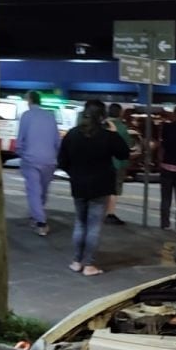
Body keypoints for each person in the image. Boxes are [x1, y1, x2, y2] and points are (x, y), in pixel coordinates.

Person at [57, 100, 123, 276]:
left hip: (78, 185)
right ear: (102, 117)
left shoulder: (72, 134)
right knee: (94, 226)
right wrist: (115, 133)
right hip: (100, 186)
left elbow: (62, 161)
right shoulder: (107, 136)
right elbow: (123, 153)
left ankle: (77, 261)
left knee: (80, 223)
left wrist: (75, 173)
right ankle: (89, 265)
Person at [15, 91, 60, 236]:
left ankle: (40, 222)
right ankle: (37, 214)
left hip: (31, 159)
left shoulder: (26, 116)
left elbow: (20, 139)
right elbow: (57, 141)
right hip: (49, 160)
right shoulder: (50, 116)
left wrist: (21, 152)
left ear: (29, 100)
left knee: (34, 190)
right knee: (43, 190)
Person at [105, 102, 133, 225]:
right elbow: (129, 144)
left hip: (101, 162)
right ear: (120, 113)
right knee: (114, 189)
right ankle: (110, 214)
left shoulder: (101, 125)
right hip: (116, 163)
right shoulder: (121, 127)